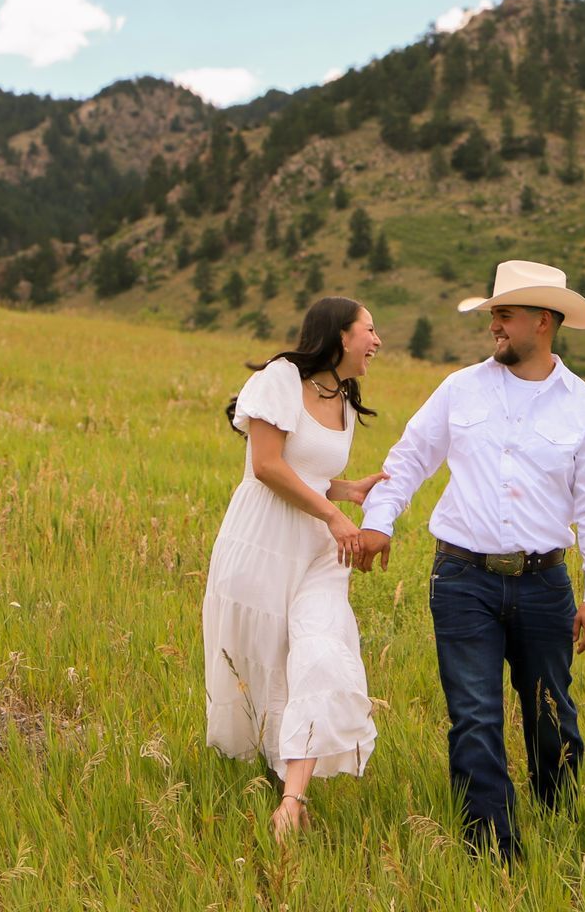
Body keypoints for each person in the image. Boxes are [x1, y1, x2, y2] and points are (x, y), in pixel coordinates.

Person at [354, 260, 585, 862]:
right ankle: (493, 852)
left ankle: (557, 819)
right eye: (493, 314)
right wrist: (377, 522)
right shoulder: (460, 388)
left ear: (545, 323)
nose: (494, 326)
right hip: (462, 579)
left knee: (552, 716)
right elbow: (409, 460)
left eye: (504, 315)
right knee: (474, 715)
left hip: (544, 581)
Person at [204, 296, 388, 840]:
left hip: (318, 554)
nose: (377, 342)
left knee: (321, 652)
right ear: (340, 336)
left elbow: (309, 473)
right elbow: (266, 466)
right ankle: (273, 779)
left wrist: (346, 491)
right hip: (262, 540)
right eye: (369, 330)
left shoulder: (347, 402)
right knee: (263, 663)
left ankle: (292, 798)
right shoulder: (279, 380)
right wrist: (334, 512)